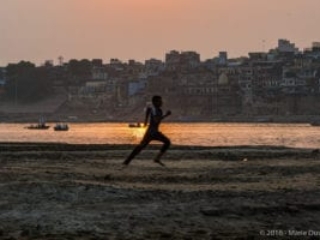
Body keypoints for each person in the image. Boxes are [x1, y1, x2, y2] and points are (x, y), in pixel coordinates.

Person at [123, 95, 171, 166]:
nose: (161, 102)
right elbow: (156, 120)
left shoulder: (156, 109)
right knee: (167, 142)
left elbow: (148, 109)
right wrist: (166, 115)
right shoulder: (155, 109)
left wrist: (145, 121)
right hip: (153, 132)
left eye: (161, 101)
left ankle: (127, 161)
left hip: (151, 132)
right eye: (160, 101)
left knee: (140, 147)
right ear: (155, 102)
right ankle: (157, 159)